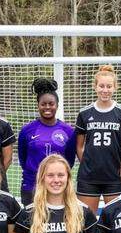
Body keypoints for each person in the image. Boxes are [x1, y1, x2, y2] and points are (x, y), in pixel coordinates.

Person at [75, 64, 121, 211]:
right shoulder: (84, 113)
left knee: (114, 222)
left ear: (115, 87)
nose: (105, 90)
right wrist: (88, 164)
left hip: (114, 176)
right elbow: (79, 146)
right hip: (89, 177)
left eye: (109, 86)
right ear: (95, 87)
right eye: (101, 86)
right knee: (86, 222)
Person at [17, 77, 77, 207]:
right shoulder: (27, 130)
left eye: (51, 104)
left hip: (58, 187)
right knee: (32, 224)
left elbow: (69, 161)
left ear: (57, 105)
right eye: (43, 104)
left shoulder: (68, 131)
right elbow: (23, 159)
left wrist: (55, 175)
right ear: (38, 105)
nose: (47, 107)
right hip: (31, 186)